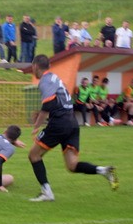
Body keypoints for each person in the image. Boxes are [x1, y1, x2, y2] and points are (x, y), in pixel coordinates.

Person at [27, 54, 118, 202]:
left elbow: (48, 105)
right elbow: (56, 103)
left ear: (35, 66)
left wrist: (36, 125)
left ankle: (47, 193)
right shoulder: (55, 78)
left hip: (60, 123)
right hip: (72, 123)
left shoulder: (45, 81)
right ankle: (103, 170)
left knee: (34, 155)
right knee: (72, 165)